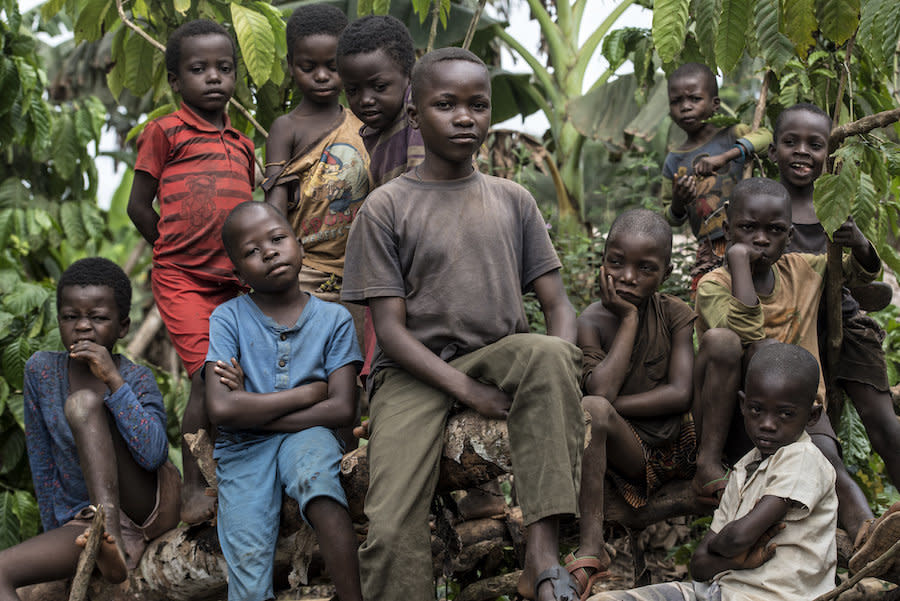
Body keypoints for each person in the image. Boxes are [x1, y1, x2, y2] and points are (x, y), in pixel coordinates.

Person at [341, 48, 585, 601]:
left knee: (548, 354)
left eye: (477, 104)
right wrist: (469, 392)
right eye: (445, 104)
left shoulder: (513, 200)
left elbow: (559, 306)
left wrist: (560, 367)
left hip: (500, 350)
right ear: (414, 114)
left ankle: (542, 564)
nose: (464, 117)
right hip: (412, 373)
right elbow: (392, 333)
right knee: (390, 521)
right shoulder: (386, 208)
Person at [126, 19, 255, 525]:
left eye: (224, 68)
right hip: (182, 280)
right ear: (176, 81)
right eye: (198, 69)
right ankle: (195, 486)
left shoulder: (244, 146)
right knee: (205, 378)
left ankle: (235, 470)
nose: (214, 78)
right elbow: (139, 206)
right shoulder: (164, 132)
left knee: (238, 378)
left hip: (233, 284)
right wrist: (173, 250)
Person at [590, 343, 838, 601]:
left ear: (812, 416)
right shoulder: (744, 468)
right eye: (756, 409)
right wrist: (737, 560)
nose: (767, 424)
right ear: (742, 404)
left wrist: (724, 547)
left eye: (785, 414)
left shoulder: (802, 458)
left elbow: (735, 539)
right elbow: (699, 565)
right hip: (717, 593)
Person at [205, 201, 363, 601]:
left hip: (306, 437)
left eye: (277, 239)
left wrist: (250, 407)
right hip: (243, 451)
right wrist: (309, 394)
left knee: (320, 486)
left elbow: (343, 408)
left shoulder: (334, 320)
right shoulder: (227, 319)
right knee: (248, 559)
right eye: (252, 251)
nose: (269, 252)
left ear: (299, 245)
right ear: (239, 272)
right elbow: (222, 410)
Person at [691, 177, 880, 508]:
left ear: (790, 236)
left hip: (798, 412)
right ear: (727, 226)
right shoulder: (714, 286)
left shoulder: (804, 270)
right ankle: (707, 464)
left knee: (832, 469)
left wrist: (860, 243)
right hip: (738, 416)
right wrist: (738, 263)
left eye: (775, 231)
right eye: (748, 228)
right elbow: (747, 331)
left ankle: (868, 532)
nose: (761, 239)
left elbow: (855, 273)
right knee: (745, 346)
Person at [771, 103, 900, 574]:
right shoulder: (766, 204)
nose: (802, 152)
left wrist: (859, 242)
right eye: (791, 142)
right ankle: (869, 536)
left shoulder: (835, 201)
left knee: (882, 420)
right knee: (822, 443)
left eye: (815, 144)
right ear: (773, 149)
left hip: (845, 321)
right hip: (792, 332)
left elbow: (867, 282)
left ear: (830, 153)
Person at [0, 258, 179, 599]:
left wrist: (113, 381)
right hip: (83, 522)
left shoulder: (136, 377)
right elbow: (43, 464)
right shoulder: (41, 371)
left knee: (82, 405)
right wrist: (56, 542)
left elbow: (154, 455)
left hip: (143, 506)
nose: (83, 326)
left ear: (123, 326)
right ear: (60, 320)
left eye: (97, 318)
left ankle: (114, 549)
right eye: (71, 317)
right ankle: (105, 546)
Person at [570, 209, 696, 600]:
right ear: (603, 260)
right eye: (616, 263)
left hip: (680, 445)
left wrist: (613, 406)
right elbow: (599, 396)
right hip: (630, 459)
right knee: (593, 406)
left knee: (722, 347)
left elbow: (680, 393)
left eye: (645, 268)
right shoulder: (591, 319)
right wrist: (627, 320)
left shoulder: (675, 313)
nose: (627, 277)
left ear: (666, 271)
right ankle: (593, 547)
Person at [262, 3, 370, 341]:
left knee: (353, 366)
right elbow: (274, 205)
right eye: (309, 67)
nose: (322, 76)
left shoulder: (365, 122)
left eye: (332, 66)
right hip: (304, 272)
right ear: (292, 66)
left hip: (360, 275)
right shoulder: (287, 128)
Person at [661, 63, 772, 291]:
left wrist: (726, 157)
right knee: (709, 296)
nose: (685, 107)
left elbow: (767, 137)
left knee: (756, 293)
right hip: (709, 247)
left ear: (715, 104)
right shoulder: (674, 160)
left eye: (694, 99)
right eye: (676, 101)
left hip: (750, 236)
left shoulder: (733, 134)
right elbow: (670, 217)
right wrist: (678, 202)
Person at [336, 14, 424, 188]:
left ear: (410, 75)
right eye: (352, 90)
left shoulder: (418, 105)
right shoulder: (374, 132)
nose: (365, 100)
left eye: (380, 87)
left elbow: (422, 186)